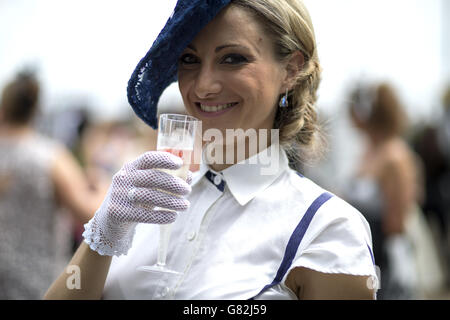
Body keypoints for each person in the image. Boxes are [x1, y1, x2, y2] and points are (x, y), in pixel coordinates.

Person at [44, 0, 378, 300]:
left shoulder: (328, 228)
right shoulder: (144, 200)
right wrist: (103, 233)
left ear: (290, 70)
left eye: (233, 59)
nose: (203, 85)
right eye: (189, 59)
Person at [0, 71, 106, 299]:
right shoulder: (49, 157)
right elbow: (91, 215)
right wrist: (104, 187)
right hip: (39, 281)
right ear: (35, 109)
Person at [344, 82, 441, 299]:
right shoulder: (369, 152)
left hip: (387, 255)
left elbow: (396, 220)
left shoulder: (394, 156)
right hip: (367, 251)